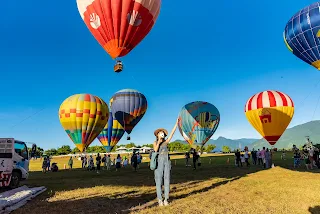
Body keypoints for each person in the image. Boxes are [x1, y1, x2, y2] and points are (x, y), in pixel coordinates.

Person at [153, 118, 178, 206]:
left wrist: (176, 124)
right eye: (160, 133)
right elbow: (155, 150)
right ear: (157, 135)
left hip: (167, 162)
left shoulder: (166, 142)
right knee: (158, 181)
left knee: (167, 180)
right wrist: (159, 142)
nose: (162, 134)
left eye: (162, 133)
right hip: (158, 163)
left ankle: (166, 199)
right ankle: (160, 199)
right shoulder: (155, 142)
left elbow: (172, 134)